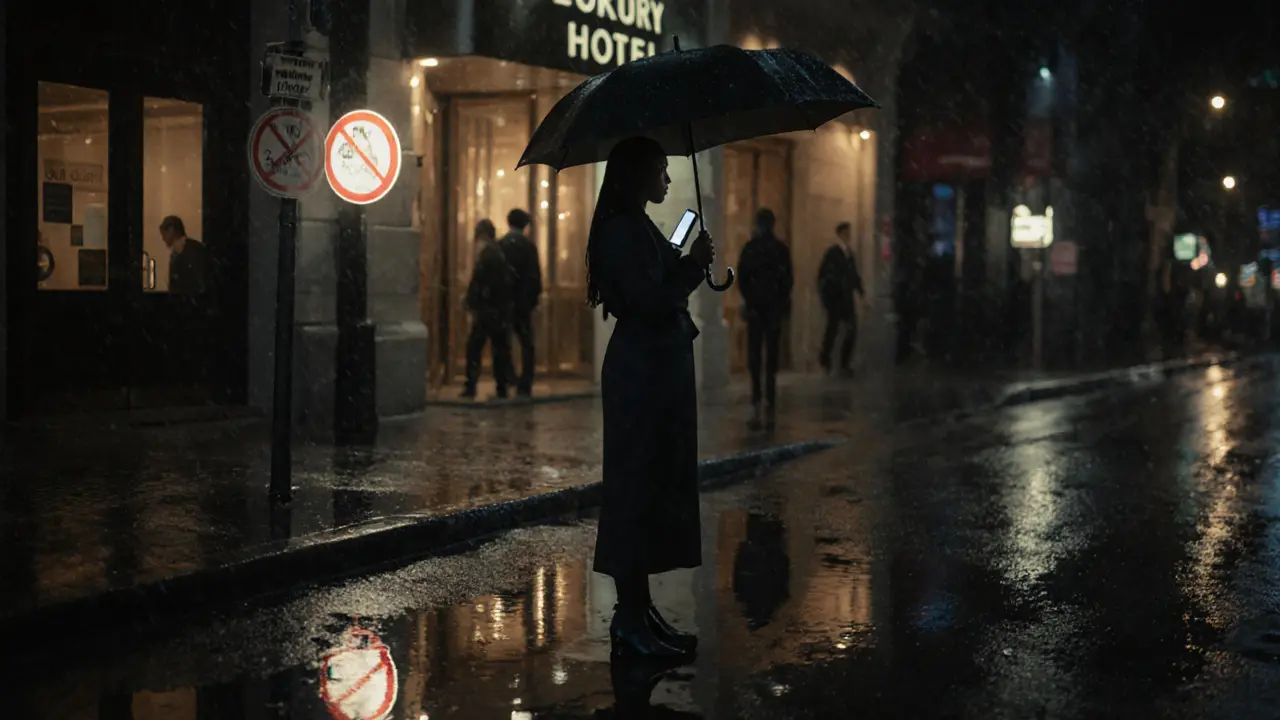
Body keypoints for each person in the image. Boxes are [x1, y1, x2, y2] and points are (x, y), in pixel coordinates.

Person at [587, 136, 715, 659]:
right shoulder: (620, 231)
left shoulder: (636, 225)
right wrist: (691, 266)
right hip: (641, 374)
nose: (667, 180)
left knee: (651, 485)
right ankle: (630, 618)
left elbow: (659, 284)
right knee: (635, 488)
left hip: (653, 370)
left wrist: (686, 262)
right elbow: (648, 300)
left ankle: (638, 612)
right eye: (660, 171)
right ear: (637, 175)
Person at [736, 207, 793, 430]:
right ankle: (769, 395)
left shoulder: (751, 248)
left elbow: (742, 277)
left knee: (755, 354)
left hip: (756, 309)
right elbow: (788, 279)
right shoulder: (780, 250)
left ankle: (757, 395)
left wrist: (751, 300)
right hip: (772, 310)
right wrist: (778, 300)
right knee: (771, 355)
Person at [461, 219, 515, 399]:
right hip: (499, 310)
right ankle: (502, 387)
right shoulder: (499, 252)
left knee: (474, 348)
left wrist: (472, 302)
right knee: (499, 349)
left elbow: (480, 282)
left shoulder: (488, 254)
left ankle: (471, 386)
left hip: (488, 310)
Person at [499, 208, 542, 397]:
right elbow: (534, 276)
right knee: (527, 344)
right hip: (523, 304)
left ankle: (506, 378)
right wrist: (532, 299)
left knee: (503, 342)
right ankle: (525, 383)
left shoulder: (502, 245)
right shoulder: (528, 246)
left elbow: (498, 276)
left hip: (505, 302)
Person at [818, 221, 865, 375]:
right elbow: (824, 276)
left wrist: (861, 293)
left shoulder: (849, 255)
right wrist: (827, 296)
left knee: (851, 330)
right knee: (832, 330)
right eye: (845, 233)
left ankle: (844, 363)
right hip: (835, 299)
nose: (847, 236)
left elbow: (854, 276)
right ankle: (825, 359)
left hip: (846, 299)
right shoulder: (832, 253)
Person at [159, 215, 206, 295]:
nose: (163, 238)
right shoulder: (175, 254)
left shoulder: (195, 250)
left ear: (171, 231)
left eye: (164, 234)